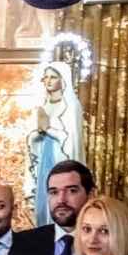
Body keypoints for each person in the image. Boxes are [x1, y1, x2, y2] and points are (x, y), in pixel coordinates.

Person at [26, 64, 84, 227]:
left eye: (53, 77)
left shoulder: (71, 106)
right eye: (46, 77)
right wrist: (37, 133)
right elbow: (32, 138)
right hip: (44, 157)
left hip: (61, 157)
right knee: (44, 199)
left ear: (62, 79)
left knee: (62, 197)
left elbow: (71, 139)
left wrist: (48, 129)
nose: (48, 81)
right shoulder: (42, 106)